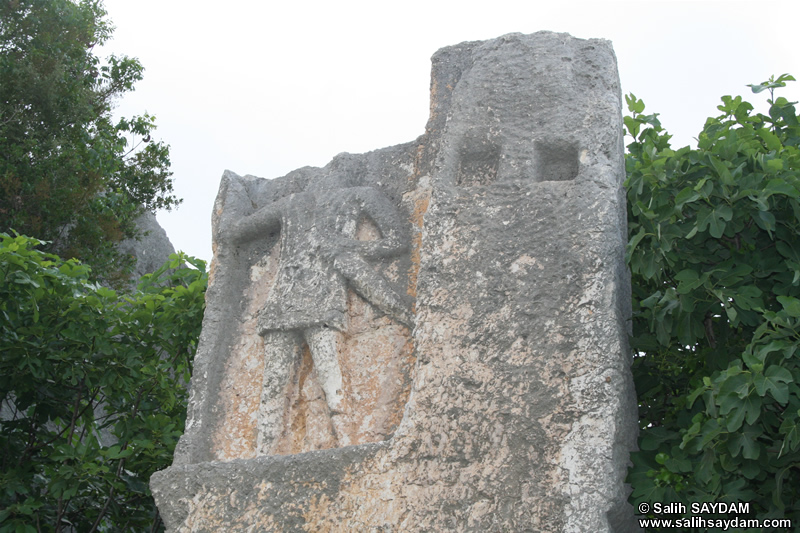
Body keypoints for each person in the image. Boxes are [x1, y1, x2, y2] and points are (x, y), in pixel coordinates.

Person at [221, 173, 412, 453]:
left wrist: (233, 193)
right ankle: (342, 444)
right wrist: (356, 248)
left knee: (285, 386)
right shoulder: (348, 196)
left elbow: (233, 231)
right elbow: (396, 242)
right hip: (310, 304)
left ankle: (270, 454)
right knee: (324, 382)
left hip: (291, 304)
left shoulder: (299, 201)